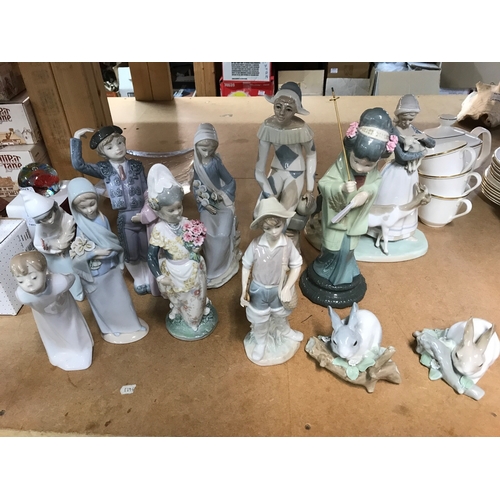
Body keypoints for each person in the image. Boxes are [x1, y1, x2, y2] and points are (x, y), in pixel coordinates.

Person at [300, 107, 398, 308]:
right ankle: (323, 268)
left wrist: (366, 193)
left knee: (348, 249)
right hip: (337, 218)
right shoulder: (341, 163)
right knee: (331, 247)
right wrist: (341, 188)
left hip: (354, 220)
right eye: (356, 161)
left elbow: (375, 184)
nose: (360, 168)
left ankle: (345, 273)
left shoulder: (374, 174)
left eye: (368, 165)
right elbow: (324, 183)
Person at [70, 125, 150, 295]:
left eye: (120, 143)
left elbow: (146, 190)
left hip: (141, 213)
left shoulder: (136, 166)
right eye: (110, 147)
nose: (118, 148)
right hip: (124, 217)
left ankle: (148, 276)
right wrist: (76, 139)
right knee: (130, 250)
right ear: (102, 152)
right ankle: (139, 278)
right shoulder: (104, 169)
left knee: (146, 246)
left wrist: (147, 211)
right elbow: (78, 164)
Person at [68, 177, 149, 344]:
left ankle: (131, 325)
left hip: (111, 267)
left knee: (122, 299)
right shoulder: (81, 227)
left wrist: (115, 255)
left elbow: (111, 240)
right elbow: (77, 254)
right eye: (83, 207)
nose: (89, 210)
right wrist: (95, 253)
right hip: (96, 273)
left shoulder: (103, 218)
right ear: (75, 208)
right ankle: (111, 328)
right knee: (103, 303)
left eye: (92, 204)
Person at [146, 163, 217, 340]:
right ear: (159, 211)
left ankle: (196, 315)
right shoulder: (159, 230)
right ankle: (180, 310)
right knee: (178, 296)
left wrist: (197, 247)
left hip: (193, 267)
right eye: (171, 210)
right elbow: (151, 255)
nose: (177, 212)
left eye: (179, 207)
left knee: (197, 295)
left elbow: (195, 243)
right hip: (174, 270)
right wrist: (159, 276)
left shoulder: (186, 223)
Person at [240, 197, 303, 364]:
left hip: (277, 289)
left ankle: (286, 332)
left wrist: (287, 287)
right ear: (262, 227)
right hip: (258, 289)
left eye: (278, 226)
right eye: (268, 228)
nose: (274, 232)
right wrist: (244, 290)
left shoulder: (287, 244)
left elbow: (297, 264)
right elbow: (246, 266)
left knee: (280, 315)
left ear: (283, 222)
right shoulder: (255, 245)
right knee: (259, 319)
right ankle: (261, 342)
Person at [254, 82, 317, 247]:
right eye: (278, 106)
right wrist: (269, 196)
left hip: (296, 173)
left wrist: (310, 188)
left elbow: (311, 155)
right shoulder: (267, 127)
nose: (281, 112)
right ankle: (268, 246)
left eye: (288, 109)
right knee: (261, 209)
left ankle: (279, 249)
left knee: (284, 215)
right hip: (276, 170)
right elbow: (259, 170)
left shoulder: (302, 128)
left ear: (296, 110)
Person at [367, 94, 436, 242]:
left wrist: (424, 138)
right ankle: (380, 231)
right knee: (391, 199)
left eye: (411, 119)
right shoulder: (394, 131)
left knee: (409, 200)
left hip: (411, 174)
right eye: (404, 118)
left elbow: (432, 143)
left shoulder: (412, 129)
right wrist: (422, 153)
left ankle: (402, 232)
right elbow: (402, 156)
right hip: (397, 171)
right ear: (398, 115)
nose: (407, 122)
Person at [10, 250, 93, 371]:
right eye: (20, 281)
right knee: (51, 334)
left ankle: (80, 350)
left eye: (34, 277)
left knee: (72, 329)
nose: (28, 284)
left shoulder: (59, 282)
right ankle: (59, 350)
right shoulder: (22, 295)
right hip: (44, 318)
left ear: (45, 272)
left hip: (65, 312)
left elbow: (71, 278)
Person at [192, 123, 240, 288]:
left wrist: (220, 195)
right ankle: (211, 269)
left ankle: (221, 268)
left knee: (222, 235)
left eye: (211, 149)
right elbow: (196, 187)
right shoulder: (196, 166)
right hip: (207, 206)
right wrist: (205, 204)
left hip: (222, 205)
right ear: (196, 147)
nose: (207, 153)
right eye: (203, 149)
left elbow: (230, 182)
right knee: (209, 234)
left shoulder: (215, 163)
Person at [20, 190, 84, 301]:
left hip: (66, 253)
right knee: (53, 274)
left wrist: (54, 244)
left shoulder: (65, 218)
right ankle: (61, 291)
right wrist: (47, 247)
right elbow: (38, 242)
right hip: (51, 256)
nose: (49, 221)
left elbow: (66, 238)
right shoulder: (41, 226)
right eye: (43, 220)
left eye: (49, 216)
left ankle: (77, 292)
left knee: (71, 269)